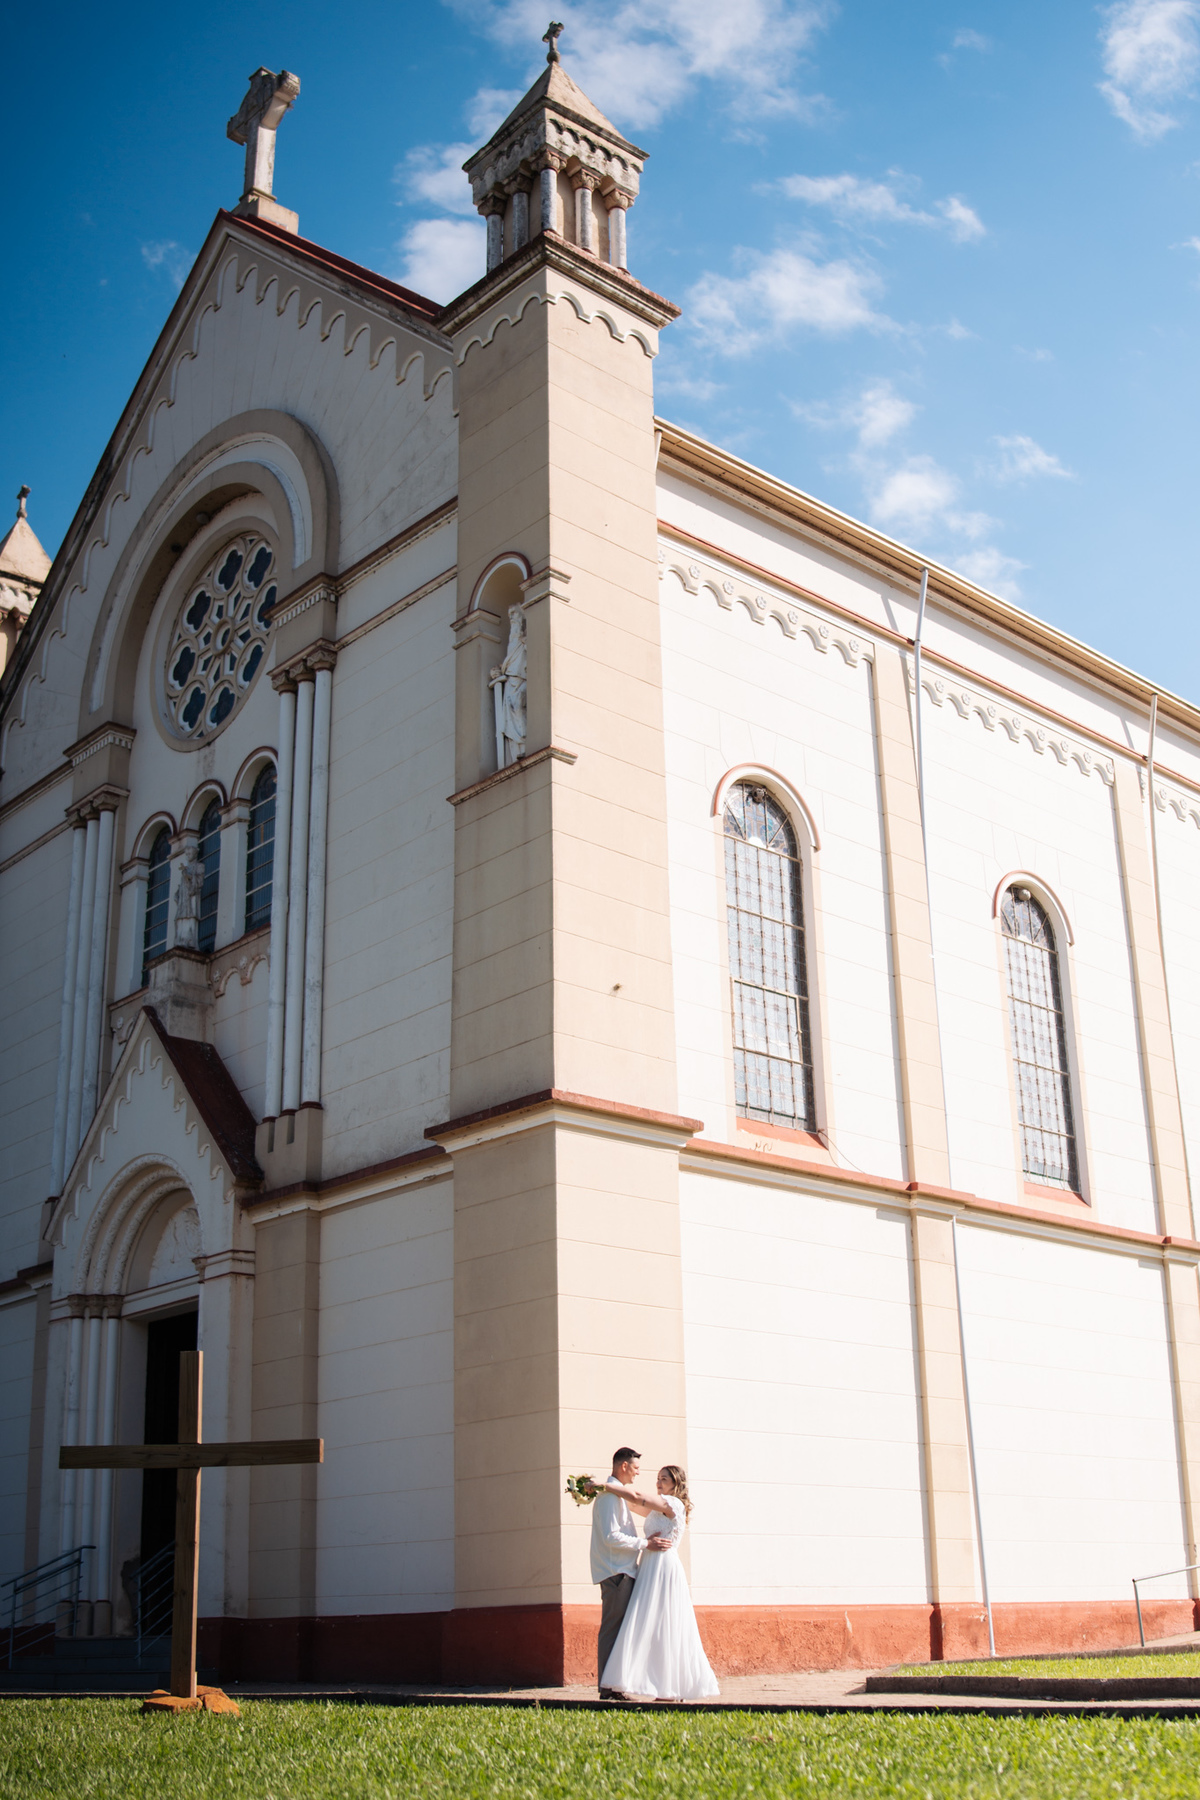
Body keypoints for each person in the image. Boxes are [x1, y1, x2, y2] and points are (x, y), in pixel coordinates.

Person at [599, 1464, 719, 1703]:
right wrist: (604, 1495)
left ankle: (671, 1688)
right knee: (648, 1623)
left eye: (664, 1479)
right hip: (649, 1567)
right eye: (658, 1478)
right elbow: (632, 1504)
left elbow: (637, 1497)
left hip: (664, 1567)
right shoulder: (657, 1509)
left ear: (676, 1484)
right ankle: (657, 1684)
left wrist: (604, 1485)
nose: (659, 1483)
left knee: (666, 1622)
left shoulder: (673, 1504)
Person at [589, 1447, 669, 1701]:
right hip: (616, 1571)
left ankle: (615, 1684)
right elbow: (611, 1536)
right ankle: (609, 1687)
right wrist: (646, 1544)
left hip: (623, 1569)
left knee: (620, 1628)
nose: (637, 1474)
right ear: (623, 1466)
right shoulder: (609, 1497)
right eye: (635, 1469)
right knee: (613, 1628)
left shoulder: (616, 1495)